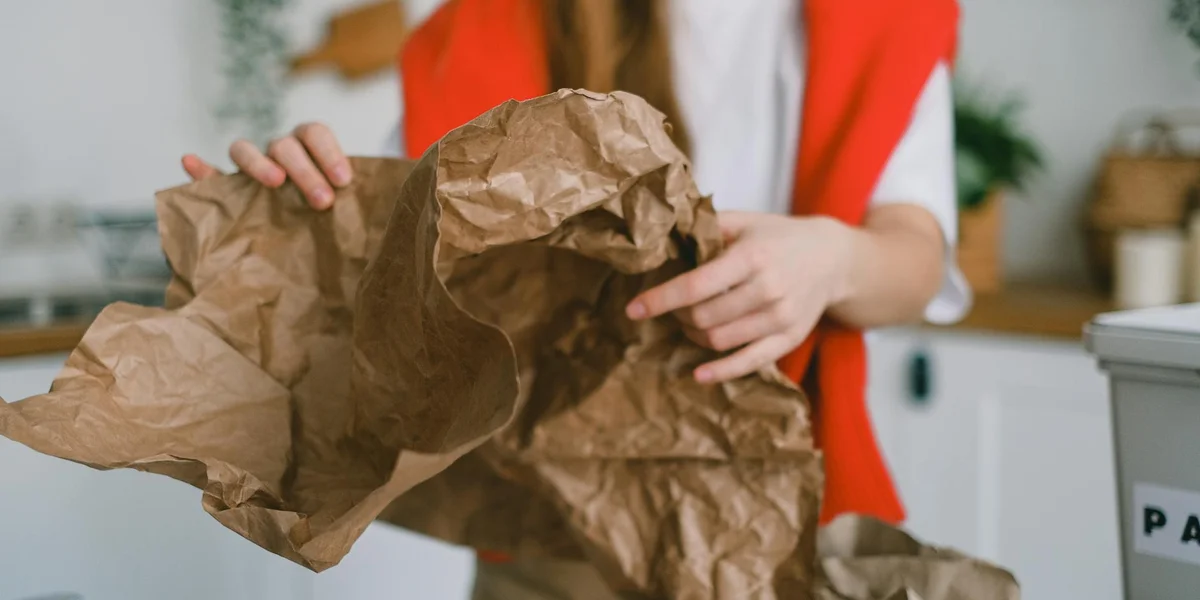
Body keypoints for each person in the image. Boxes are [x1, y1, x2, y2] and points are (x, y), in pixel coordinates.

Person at [182, 0, 967, 596]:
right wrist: (317, 216)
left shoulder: (886, 18)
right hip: (553, 524)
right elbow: (406, 254)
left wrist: (833, 259)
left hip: (780, 514)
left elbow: (916, 256)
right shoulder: (492, 21)